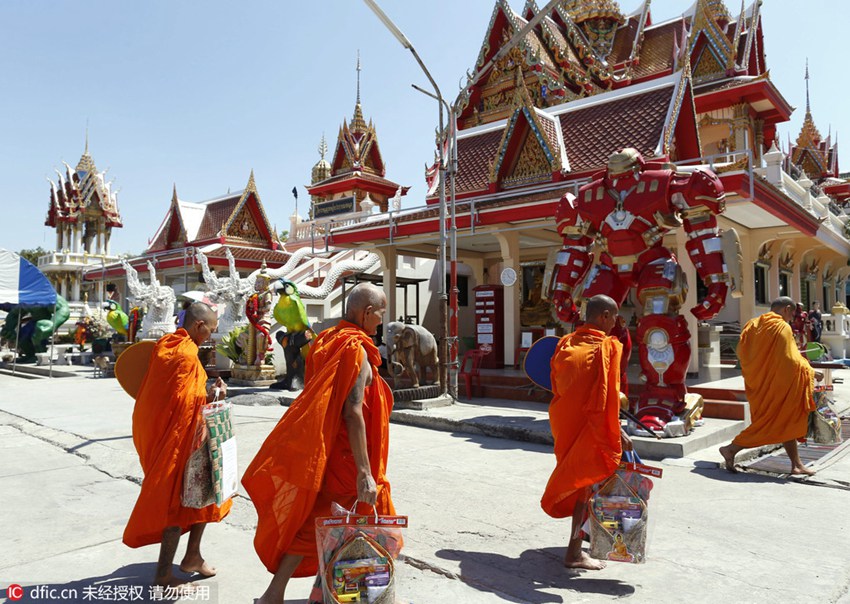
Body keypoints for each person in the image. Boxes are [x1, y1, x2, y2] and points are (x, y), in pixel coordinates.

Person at [243, 283, 395, 603]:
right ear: (367, 312)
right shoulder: (354, 349)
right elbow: (352, 411)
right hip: (348, 458)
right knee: (332, 522)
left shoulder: (328, 339)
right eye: (380, 313)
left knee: (337, 524)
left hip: (334, 448)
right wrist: (364, 472)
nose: (381, 320)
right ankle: (277, 594)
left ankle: (323, 592)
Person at [123, 302, 230, 588]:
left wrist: (207, 394)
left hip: (180, 434)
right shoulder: (184, 354)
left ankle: (193, 555)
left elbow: (175, 396)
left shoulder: (168, 345)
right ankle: (162, 574)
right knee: (176, 500)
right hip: (178, 440)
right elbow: (186, 404)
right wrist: (214, 396)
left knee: (205, 492)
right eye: (210, 329)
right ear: (198, 325)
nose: (211, 335)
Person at [541, 294, 632, 571]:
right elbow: (607, 399)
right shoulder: (607, 347)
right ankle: (574, 553)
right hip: (589, 426)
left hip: (564, 421)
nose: (615, 323)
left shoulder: (565, 343)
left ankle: (586, 540)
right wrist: (617, 432)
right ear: (604, 316)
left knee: (583, 482)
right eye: (614, 317)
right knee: (583, 485)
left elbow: (556, 383)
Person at [719, 297, 819, 475]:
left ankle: (796, 465)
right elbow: (789, 360)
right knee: (770, 423)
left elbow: (742, 352)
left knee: (786, 422)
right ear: (787, 309)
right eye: (792, 314)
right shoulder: (782, 327)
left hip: (761, 384)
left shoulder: (753, 324)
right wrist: (810, 371)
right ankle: (731, 449)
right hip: (778, 386)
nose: (792, 318)